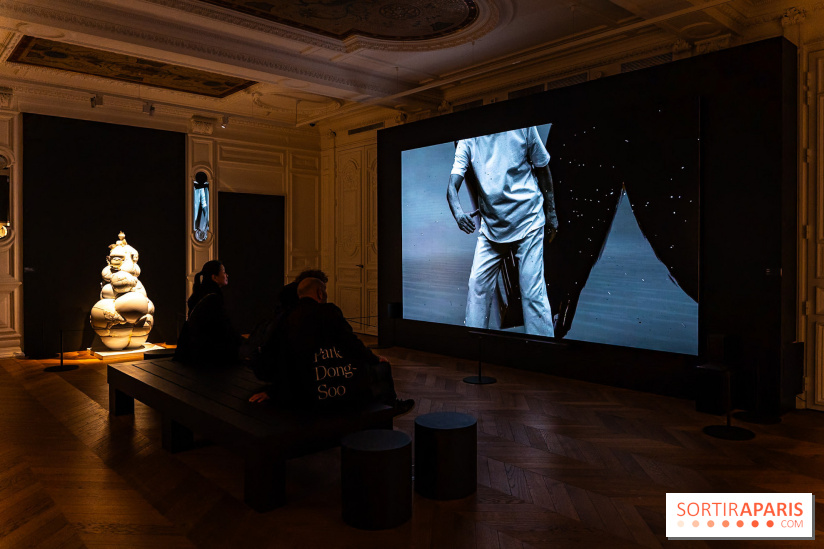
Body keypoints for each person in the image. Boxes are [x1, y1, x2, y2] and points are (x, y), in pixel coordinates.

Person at [446, 127, 558, 336]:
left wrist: (551, 213)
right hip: (492, 227)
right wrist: (458, 213)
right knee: (477, 287)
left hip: (529, 220)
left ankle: (543, 351)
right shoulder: (468, 137)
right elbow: (452, 186)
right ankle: (474, 346)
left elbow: (543, 168)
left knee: (532, 294)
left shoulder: (524, 126)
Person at [249, 278, 414, 416]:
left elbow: (282, 357)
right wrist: (374, 358)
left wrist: (273, 391)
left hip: (301, 387)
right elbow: (351, 343)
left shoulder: (286, 318)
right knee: (381, 367)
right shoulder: (328, 312)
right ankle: (390, 407)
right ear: (320, 293)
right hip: (330, 383)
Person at [174, 260, 241, 366]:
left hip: (194, 352)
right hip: (207, 355)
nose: (226, 275)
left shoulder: (200, 294)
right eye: (223, 272)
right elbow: (223, 330)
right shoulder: (213, 299)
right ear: (214, 277)